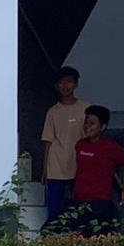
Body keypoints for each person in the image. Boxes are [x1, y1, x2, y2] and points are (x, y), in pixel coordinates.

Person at [70, 106, 124, 233]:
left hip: (100, 201)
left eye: (92, 123)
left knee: (99, 235)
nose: (87, 126)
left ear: (102, 127)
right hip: (80, 200)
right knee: (80, 235)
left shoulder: (110, 146)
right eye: (86, 123)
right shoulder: (80, 145)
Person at [40, 67, 89, 224]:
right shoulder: (53, 112)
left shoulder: (85, 108)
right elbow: (48, 141)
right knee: (54, 210)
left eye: (69, 82)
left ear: (75, 84)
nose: (65, 86)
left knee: (80, 207)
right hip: (56, 167)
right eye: (61, 83)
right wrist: (44, 170)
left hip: (79, 165)